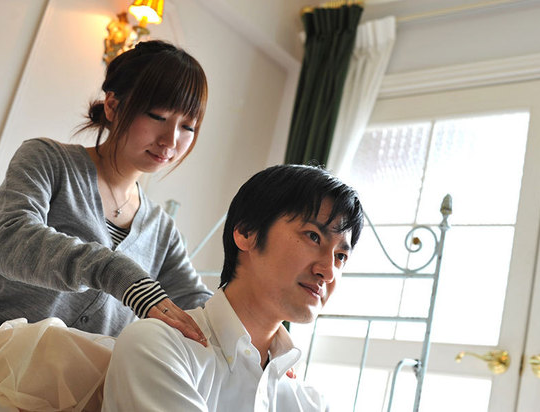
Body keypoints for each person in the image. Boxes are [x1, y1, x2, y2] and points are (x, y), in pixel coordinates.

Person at [0, 40, 212, 344]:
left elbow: (200, 306)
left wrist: (248, 333)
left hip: (74, 375)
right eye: (157, 116)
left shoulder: (163, 232)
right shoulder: (47, 159)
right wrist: (114, 271)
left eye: (188, 127)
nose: (171, 140)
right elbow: (10, 238)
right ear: (113, 106)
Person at [102, 164, 364, 411]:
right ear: (247, 233)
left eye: (341, 256)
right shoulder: (158, 346)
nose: (328, 271)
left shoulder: (309, 403)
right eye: (313, 237)